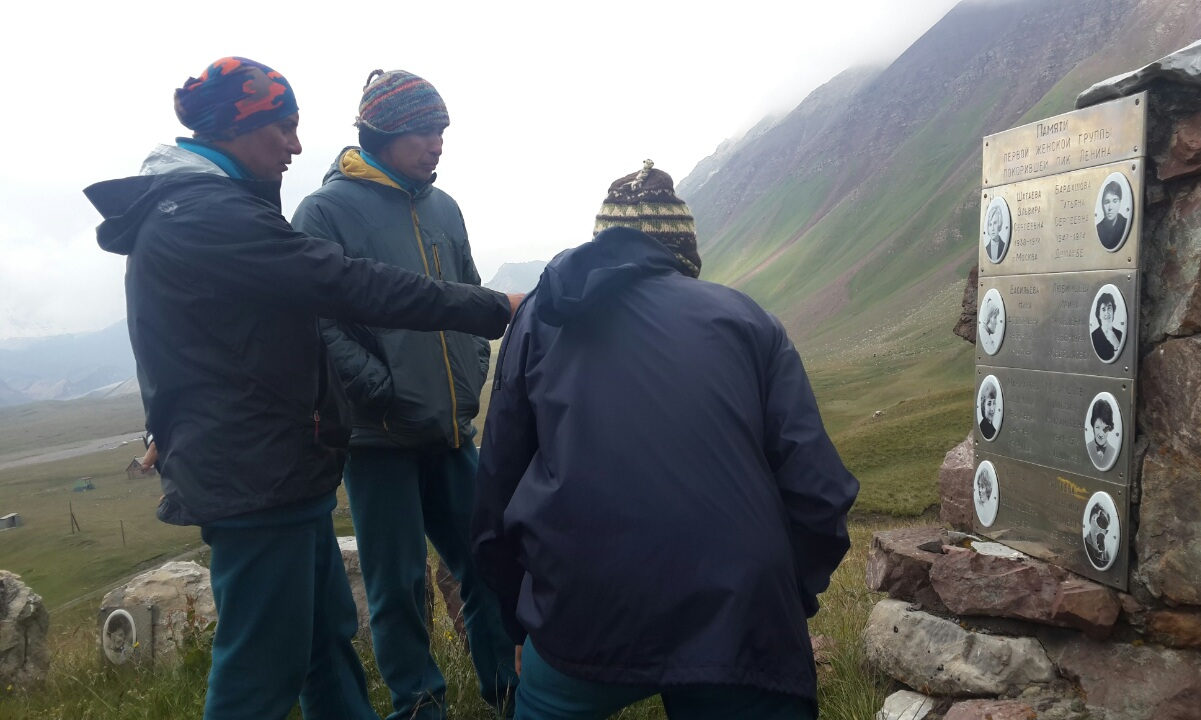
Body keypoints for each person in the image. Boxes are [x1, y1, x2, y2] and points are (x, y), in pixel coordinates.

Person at [84, 57, 520, 720]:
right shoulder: (208, 219)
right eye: (283, 128)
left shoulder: (208, 209)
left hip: (288, 467)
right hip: (256, 473)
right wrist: (498, 309)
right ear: (237, 126)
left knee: (321, 642)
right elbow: (347, 287)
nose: (295, 144)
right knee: (262, 669)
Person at [472, 161, 859, 720]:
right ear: (685, 250)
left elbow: (496, 489)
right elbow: (819, 494)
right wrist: (781, 599)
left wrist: (519, 621)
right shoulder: (751, 322)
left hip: (577, 614)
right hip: (741, 611)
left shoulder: (541, 318)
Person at [291, 69, 518, 720]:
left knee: (488, 561)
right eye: (425, 130)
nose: (437, 143)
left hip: (450, 432)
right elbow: (317, 318)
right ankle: (420, 705)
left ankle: (508, 690)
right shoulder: (325, 211)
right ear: (383, 132)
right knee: (397, 586)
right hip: (378, 439)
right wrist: (375, 391)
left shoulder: (443, 208)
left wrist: (472, 370)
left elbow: (473, 298)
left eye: (442, 130)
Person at [1096, 180, 1129, 250]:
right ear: (1102, 204)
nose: (1110, 207)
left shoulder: (1125, 224)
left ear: (1120, 203)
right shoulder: (1098, 228)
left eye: (1115, 201)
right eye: (1107, 202)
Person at [1088, 399, 1119, 471]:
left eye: (1105, 428)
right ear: (1093, 426)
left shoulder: (1113, 452)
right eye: (1097, 427)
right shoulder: (1088, 447)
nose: (1101, 434)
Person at [1091, 291, 1123, 362]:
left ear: (1113, 311)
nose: (1107, 312)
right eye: (1103, 309)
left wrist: (1116, 344)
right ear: (1099, 314)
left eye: (1109, 308)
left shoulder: (1120, 334)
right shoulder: (1094, 336)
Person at [1085, 502, 1113, 568]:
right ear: (1091, 520)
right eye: (1099, 521)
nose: (1100, 530)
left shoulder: (1107, 554)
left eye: (1104, 524)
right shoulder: (1083, 546)